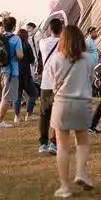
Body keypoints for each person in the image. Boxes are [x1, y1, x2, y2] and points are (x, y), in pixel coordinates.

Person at [44, 25, 95, 198]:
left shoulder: (56, 59)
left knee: (63, 147)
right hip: (82, 104)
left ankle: (65, 187)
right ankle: (81, 172)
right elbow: (91, 78)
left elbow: (52, 83)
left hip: (62, 105)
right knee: (82, 142)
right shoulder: (88, 59)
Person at [0, 15, 24, 129]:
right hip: (11, 71)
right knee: (6, 98)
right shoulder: (16, 39)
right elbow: (20, 55)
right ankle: (0, 122)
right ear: (13, 27)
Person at [38, 17, 64, 155]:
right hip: (60, 83)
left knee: (44, 114)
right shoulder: (65, 44)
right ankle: (54, 143)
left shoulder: (44, 43)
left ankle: (43, 143)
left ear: (50, 30)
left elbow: (40, 36)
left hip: (45, 83)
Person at [15, 27, 38, 122]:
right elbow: (32, 60)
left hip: (16, 73)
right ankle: (29, 114)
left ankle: (17, 116)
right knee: (34, 93)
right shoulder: (27, 45)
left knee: (18, 95)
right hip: (25, 73)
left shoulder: (14, 46)